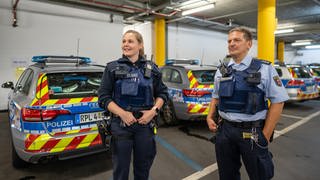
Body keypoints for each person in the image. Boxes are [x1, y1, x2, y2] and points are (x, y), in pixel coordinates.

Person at [206, 27, 289, 180]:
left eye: (237, 40)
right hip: (225, 131)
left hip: (253, 132)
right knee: (227, 175)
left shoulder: (265, 68)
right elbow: (215, 96)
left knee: (259, 175)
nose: (231, 44)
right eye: (229, 41)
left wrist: (265, 135)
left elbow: (278, 101)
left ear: (249, 44)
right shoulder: (221, 70)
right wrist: (209, 116)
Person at [98, 30, 168, 180]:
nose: (126, 44)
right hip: (121, 125)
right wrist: (122, 113)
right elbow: (103, 98)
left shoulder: (152, 69)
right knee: (120, 171)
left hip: (145, 126)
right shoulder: (112, 68)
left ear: (140, 45)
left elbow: (163, 94)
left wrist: (153, 111)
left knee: (143, 169)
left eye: (130, 41)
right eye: (124, 41)